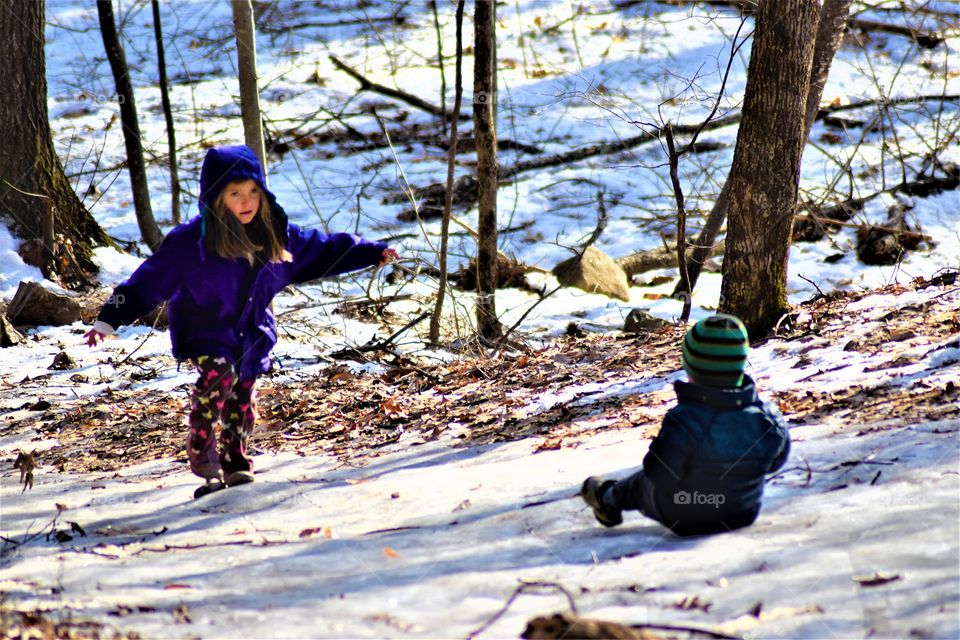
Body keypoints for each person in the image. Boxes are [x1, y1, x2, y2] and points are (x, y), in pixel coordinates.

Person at [85, 144, 398, 487]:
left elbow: (324, 249)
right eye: (235, 193)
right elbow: (148, 281)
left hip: (251, 332)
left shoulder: (277, 236)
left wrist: (372, 252)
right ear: (217, 198)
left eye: (253, 192)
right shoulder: (191, 243)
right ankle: (201, 443)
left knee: (242, 395)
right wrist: (109, 317)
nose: (246, 201)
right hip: (204, 330)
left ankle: (235, 456)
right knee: (220, 373)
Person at [581, 314, 790, 536]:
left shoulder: (684, 419)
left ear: (690, 367)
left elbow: (659, 475)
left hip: (684, 515)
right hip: (742, 513)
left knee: (642, 484)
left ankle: (607, 497)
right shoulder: (768, 417)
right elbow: (775, 462)